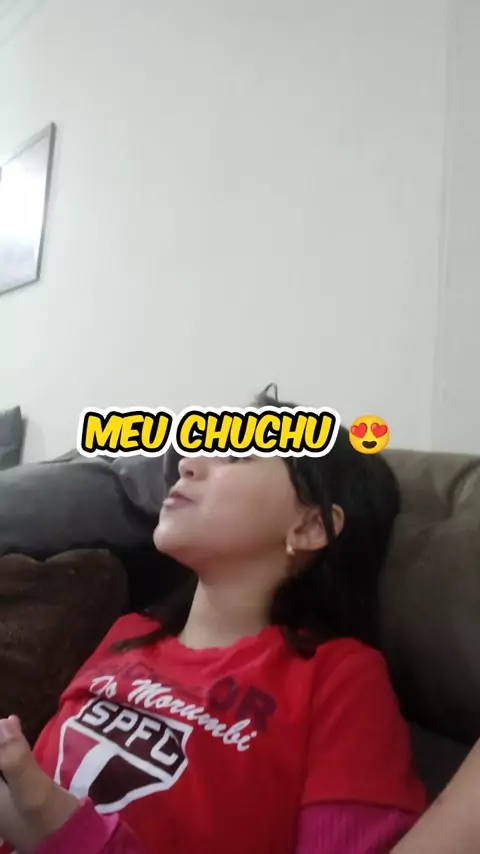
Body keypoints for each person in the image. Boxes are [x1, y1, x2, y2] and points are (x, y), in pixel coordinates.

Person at [0, 389, 428, 854]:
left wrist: (46, 808)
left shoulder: (340, 678)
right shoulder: (129, 633)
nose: (187, 464)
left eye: (236, 456)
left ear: (310, 527)